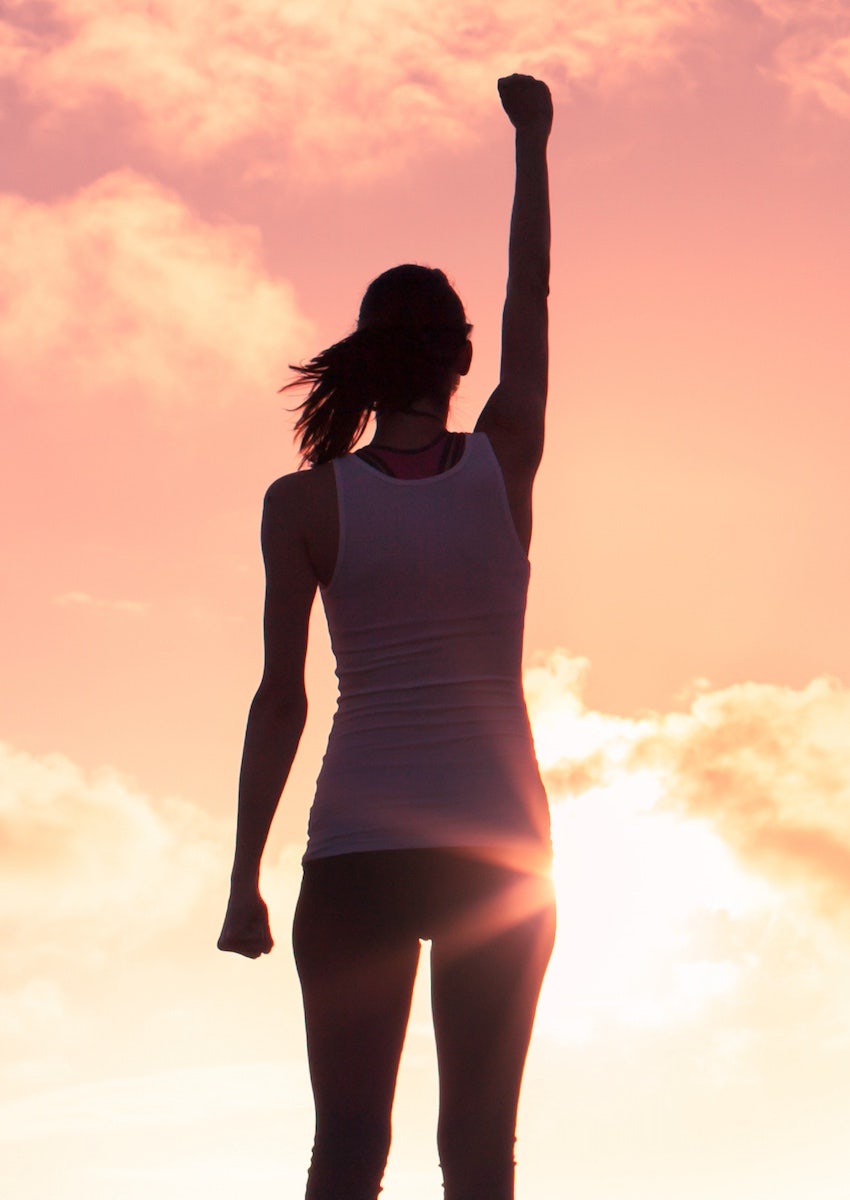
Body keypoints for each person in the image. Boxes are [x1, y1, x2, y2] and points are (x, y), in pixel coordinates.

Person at [218, 73, 555, 1200]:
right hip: (497, 853)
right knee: (477, 1157)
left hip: (355, 850)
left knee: (349, 1150)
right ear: (459, 361)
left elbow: (283, 699)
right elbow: (533, 297)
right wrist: (531, 142)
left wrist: (243, 879)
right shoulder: (503, 459)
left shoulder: (304, 503)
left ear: (365, 360)